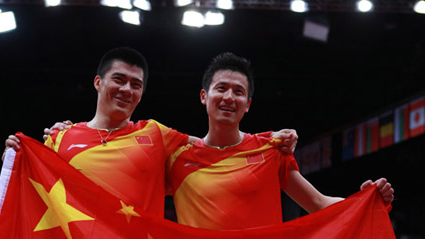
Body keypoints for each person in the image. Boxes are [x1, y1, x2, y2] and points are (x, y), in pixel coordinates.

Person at [4, 47, 297, 217]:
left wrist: (265, 142)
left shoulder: (156, 134)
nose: (126, 89)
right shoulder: (60, 137)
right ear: (98, 82)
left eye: (136, 84)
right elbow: (29, 200)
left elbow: (216, 145)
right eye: (119, 80)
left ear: (142, 93)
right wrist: (12, 160)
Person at [166, 52, 394, 229]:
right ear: (204, 96)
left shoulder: (270, 152)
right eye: (221, 88)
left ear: (247, 105)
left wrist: (366, 201)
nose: (228, 97)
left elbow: (318, 203)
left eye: (238, 91)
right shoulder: (178, 157)